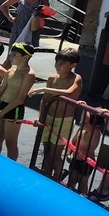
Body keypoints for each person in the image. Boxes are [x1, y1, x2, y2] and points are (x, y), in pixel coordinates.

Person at [37, 49, 84, 178]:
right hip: (49, 118)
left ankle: (54, 177)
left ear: (73, 65)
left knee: (55, 154)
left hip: (64, 121)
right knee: (47, 151)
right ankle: (50, 175)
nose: (57, 65)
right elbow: (45, 100)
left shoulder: (76, 78)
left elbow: (69, 92)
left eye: (62, 63)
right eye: (57, 62)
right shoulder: (52, 78)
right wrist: (40, 117)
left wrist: (44, 88)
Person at [0, 42, 36, 160]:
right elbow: (1, 90)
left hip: (14, 109)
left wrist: (3, 112)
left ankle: (11, 167)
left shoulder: (29, 75)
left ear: (25, 57)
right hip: (0, 105)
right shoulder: (11, 70)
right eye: (11, 54)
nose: (10, 56)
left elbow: (20, 98)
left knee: (10, 142)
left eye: (14, 55)